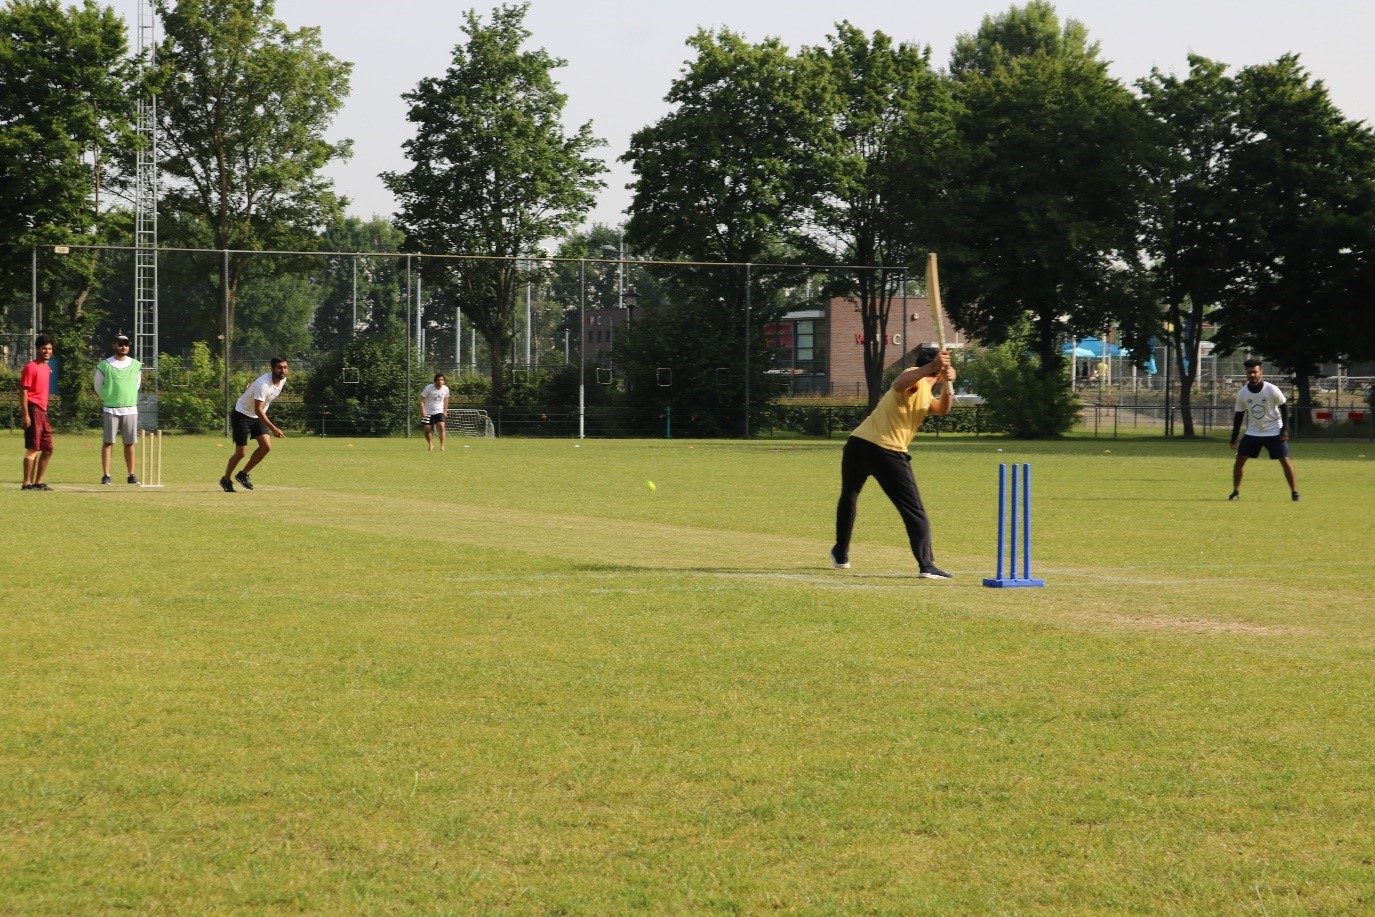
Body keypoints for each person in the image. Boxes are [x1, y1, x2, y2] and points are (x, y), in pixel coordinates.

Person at [832, 347, 955, 579]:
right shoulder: (915, 378)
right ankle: (927, 565)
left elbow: (942, 409)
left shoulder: (926, 391)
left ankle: (840, 554)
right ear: (936, 367)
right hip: (885, 451)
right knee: (914, 510)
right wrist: (932, 368)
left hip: (857, 444)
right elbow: (899, 384)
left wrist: (948, 385)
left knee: (849, 496)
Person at [1229, 357, 1299, 502]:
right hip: (1253, 432)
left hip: (1274, 431)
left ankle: (1294, 493)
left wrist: (1284, 430)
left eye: (1255, 372)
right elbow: (1239, 415)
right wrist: (1234, 437)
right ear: (1246, 373)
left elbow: (1284, 407)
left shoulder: (1271, 389)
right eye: (1249, 372)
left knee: (1285, 460)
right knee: (1239, 460)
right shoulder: (1242, 393)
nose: (1252, 375)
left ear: (1261, 372)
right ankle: (1235, 492)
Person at [220, 357, 289, 492]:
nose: (283, 370)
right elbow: (258, 409)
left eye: (285, 367)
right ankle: (226, 479)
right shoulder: (263, 385)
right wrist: (273, 428)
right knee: (241, 453)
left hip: (257, 416)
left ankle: (243, 474)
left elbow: (259, 408)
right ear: (272, 369)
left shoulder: (282, 380)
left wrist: (251, 387)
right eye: (280, 368)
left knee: (266, 446)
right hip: (242, 415)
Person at [94, 332, 142, 485]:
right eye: (120, 344)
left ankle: (131, 475)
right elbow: (98, 387)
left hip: (130, 409)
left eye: (126, 344)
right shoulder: (105, 365)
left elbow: (136, 385)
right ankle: (106, 474)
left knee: (129, 443)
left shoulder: (135, 365)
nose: (123, 347)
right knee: (108, 442)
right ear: (114, 345)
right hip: (111, 409)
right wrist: (108, 399)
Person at [20, 334, 55, 491]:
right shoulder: (30, 367)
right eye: (44, 349)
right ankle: (27, 483)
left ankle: (38, 482)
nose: (47, 351)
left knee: (48, 449)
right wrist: (25, 414)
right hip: (33, 410)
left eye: (49, 349)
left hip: (43, 411)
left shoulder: (47, 368)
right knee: (33, 448)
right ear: (37, 349)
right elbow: (24, 391)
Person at [419, 373, 450, 451]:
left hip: (439, 411)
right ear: (435, 381)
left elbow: (446, 400)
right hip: (428, 411)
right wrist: (423, 410)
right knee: (427, 429)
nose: (440, 381)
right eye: (438, 380)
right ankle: (430, 444)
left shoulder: (445, 389)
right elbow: (421, 400)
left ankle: (442, 447)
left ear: (444, 381)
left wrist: (445, 411)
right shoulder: (429, 388)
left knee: (442, 426)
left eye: (442, 380)